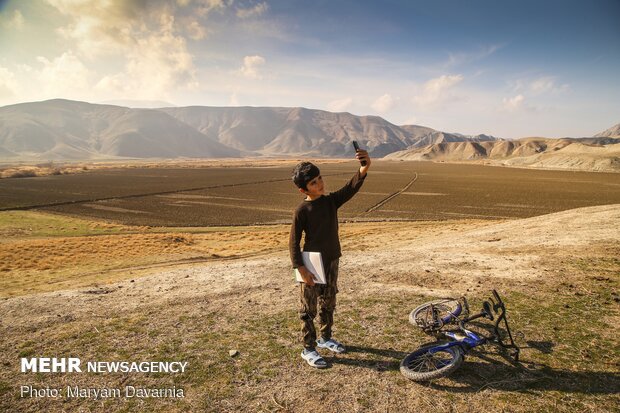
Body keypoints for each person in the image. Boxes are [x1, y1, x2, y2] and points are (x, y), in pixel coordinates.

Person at [289, 149, 371, 368]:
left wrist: (363, 169)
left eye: (320, 179)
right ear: (302, 189)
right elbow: (293, 243)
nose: (320, 184)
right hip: (311, 264)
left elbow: (349, 189)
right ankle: (308, 349)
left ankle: (325, 338)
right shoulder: (302, 210)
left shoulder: (330, 201)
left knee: (329, 302)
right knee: (309, 309)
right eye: (314, 183)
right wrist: (301, 269)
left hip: (332, 260)